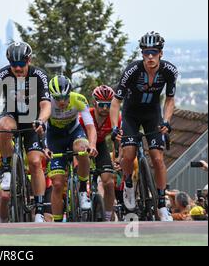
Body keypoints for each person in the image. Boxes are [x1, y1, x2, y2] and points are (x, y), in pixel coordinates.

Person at [110, 31, 178, 222]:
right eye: (146, 52)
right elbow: (116, 102)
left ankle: (162, 206)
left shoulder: (169, 71)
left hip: (152, 115)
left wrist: (166, 121)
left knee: (157, 158)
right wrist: (116, 127)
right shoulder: (132, 70)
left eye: (154, 52)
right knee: (129, 155)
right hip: (131, 115)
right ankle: (129, 183)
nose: (150, 57)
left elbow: (170, 99)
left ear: (160, 54)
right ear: (142, 53)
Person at [0, 41, 51, 223]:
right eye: (14, 64)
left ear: (29, 60)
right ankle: (6, 168)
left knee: (36, 163)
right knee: (3, 126)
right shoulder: (3, 74)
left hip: (33, 121)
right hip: (12, 115)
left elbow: (46, 105)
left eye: (22, 64)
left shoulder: (39, 75)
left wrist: (41, 121)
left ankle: (39, 208)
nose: (18, 68)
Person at [44, 75, 98, 222]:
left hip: (74, 132)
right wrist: (45, 147)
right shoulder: (46, 102)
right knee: (57, 183)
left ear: (70, 94)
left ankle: (82, 189)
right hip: (54, 137)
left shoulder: (78, 99)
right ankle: (58, 222)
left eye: (64, 97)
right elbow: (41, 127)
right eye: (57, 98)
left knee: (82, 147)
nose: (61, 102)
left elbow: (90, 126)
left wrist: (92, 145)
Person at [78, 85, 120, 221]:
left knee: (108, 182)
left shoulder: (115, 118)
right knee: (78, 173)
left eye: (108, 105)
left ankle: (108, 215)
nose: (105, 109)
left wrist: (117, 157)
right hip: (83, 144)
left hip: (100, 145)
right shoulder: (84, 116)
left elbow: (118, 139)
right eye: (101, 105)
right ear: (94, 103)